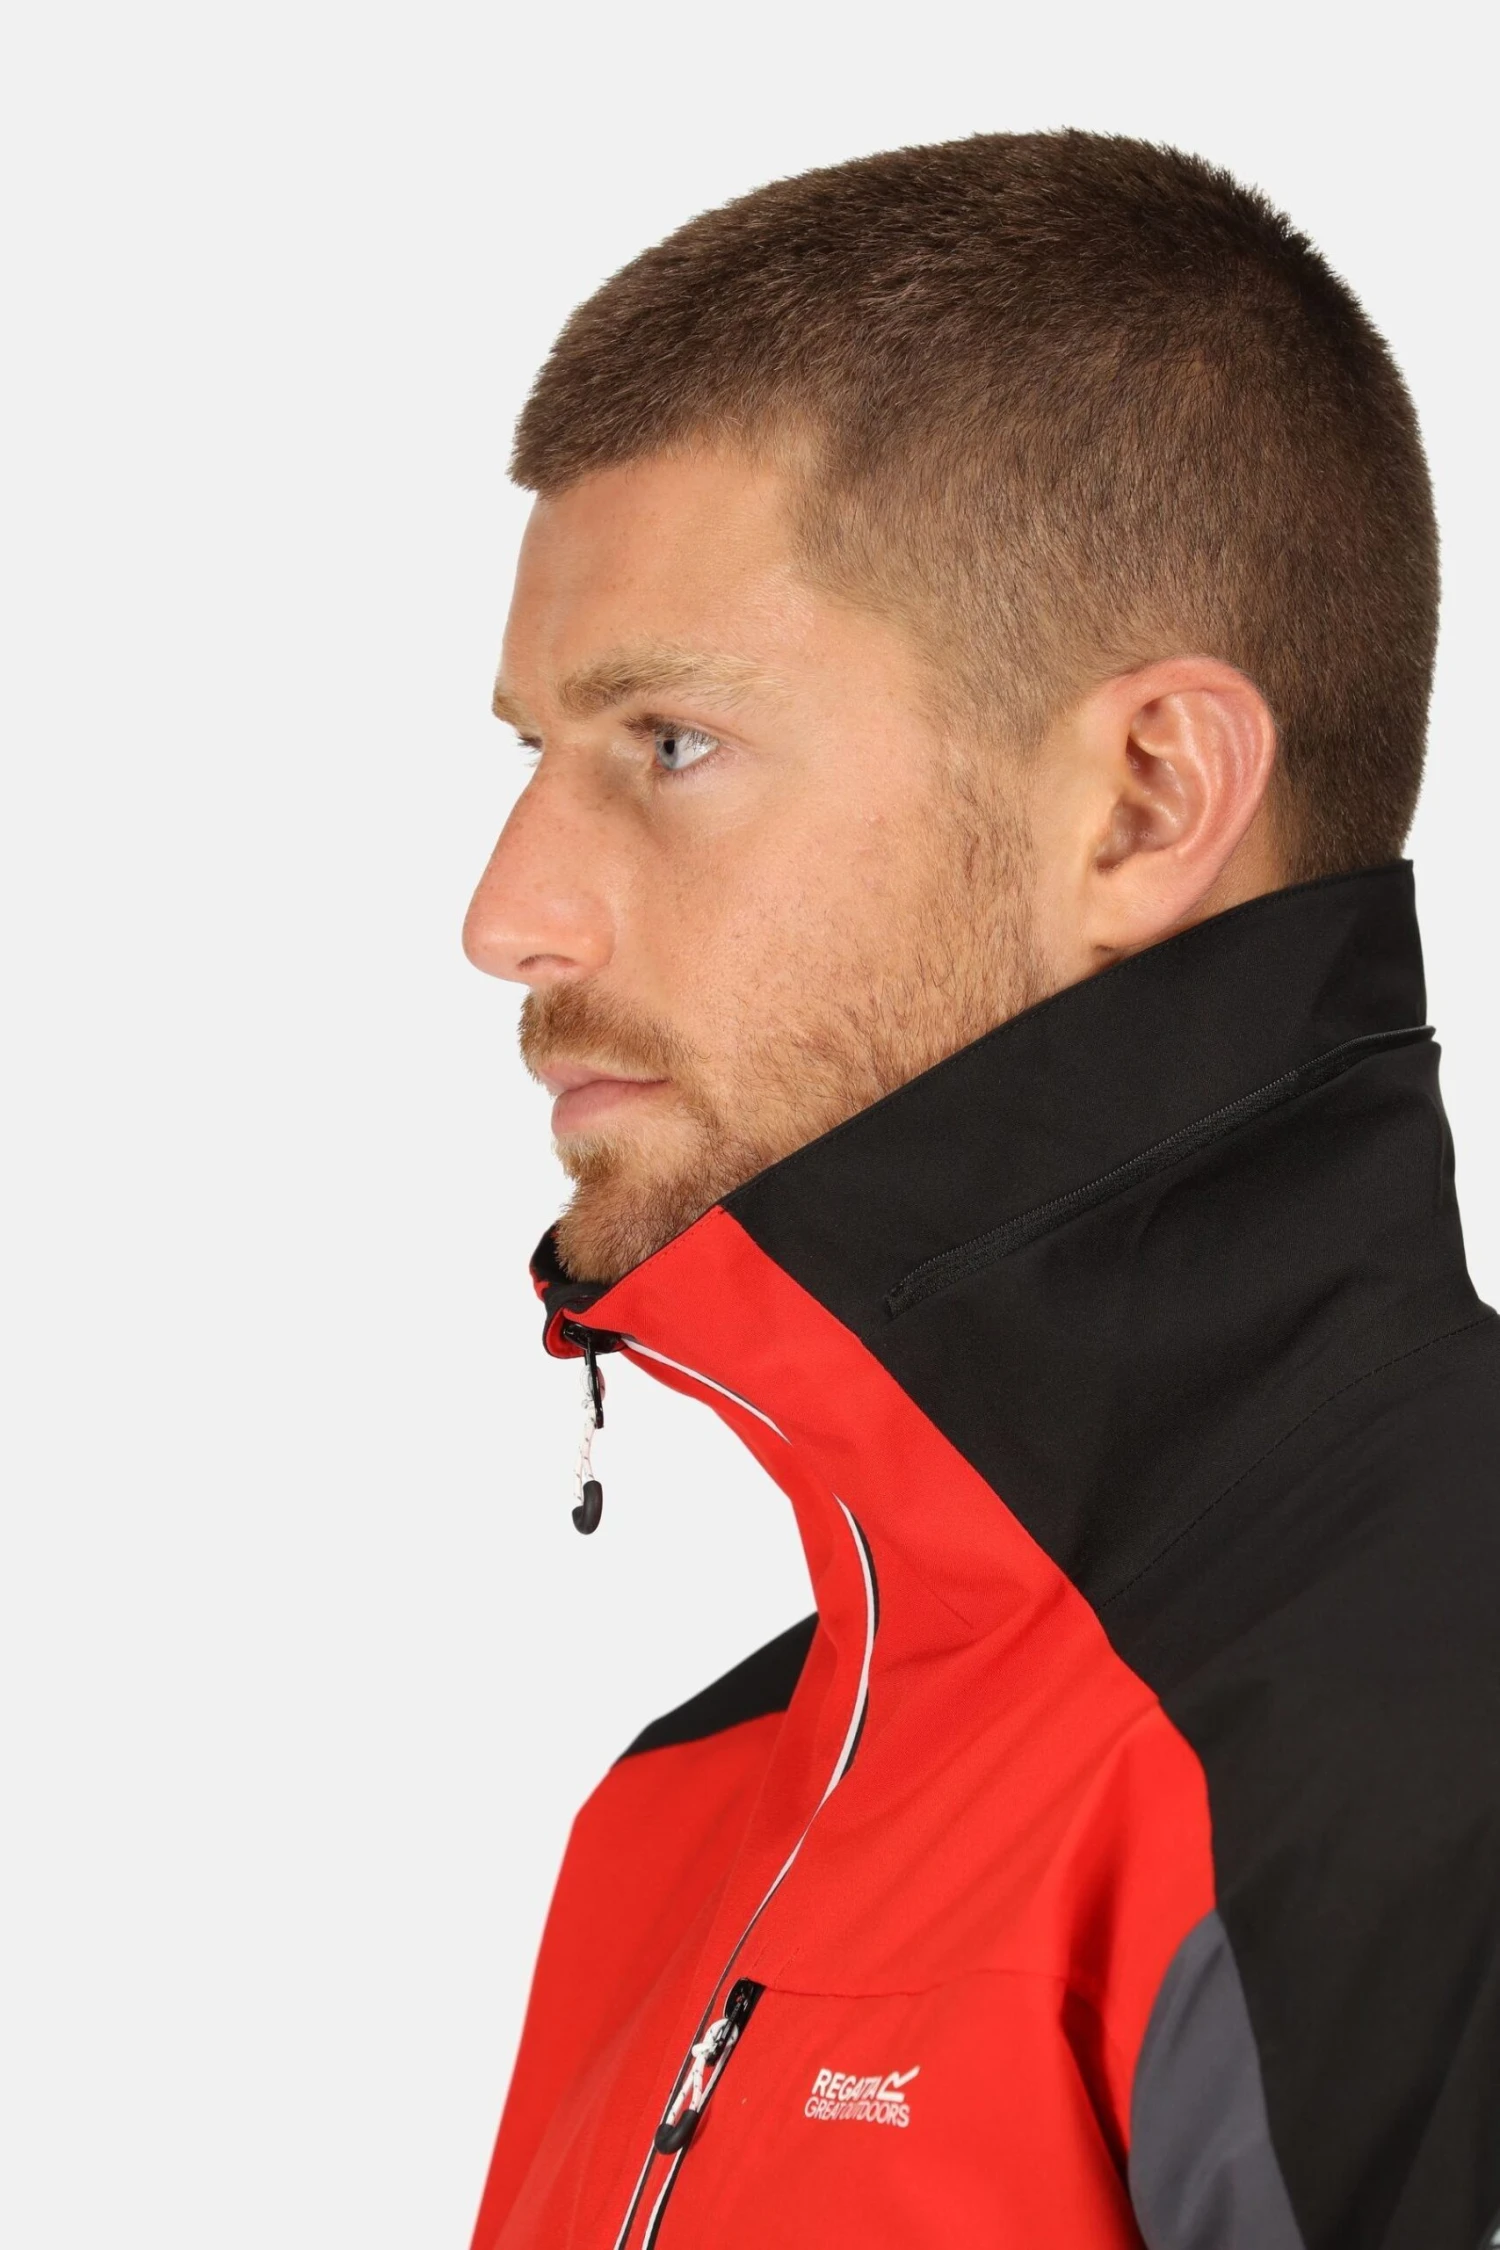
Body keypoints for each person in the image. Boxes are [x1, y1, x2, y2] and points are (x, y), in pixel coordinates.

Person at [460, 132, 1499, 2249]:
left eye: (668, 742)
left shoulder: (1424, 1737)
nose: (508, 915)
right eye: (529, 757)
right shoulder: (683, 1805)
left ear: (1146, 802)